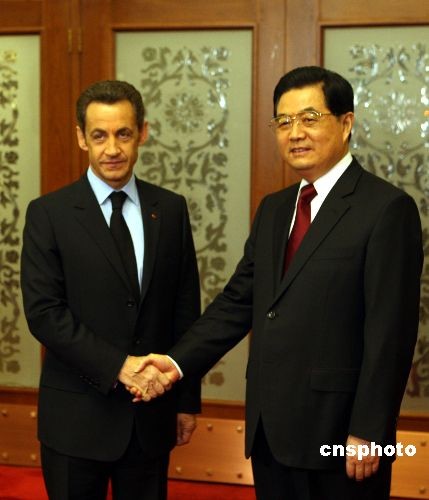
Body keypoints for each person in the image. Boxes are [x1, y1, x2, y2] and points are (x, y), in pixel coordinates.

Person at [132, 66, 423, 499]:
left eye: (309, 118)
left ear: (346, 123)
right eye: (283, 122)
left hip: (341, 434)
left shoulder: (385, 209)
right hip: (270, 430)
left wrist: (370, 430)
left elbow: (391, 333)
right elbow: (236, 303)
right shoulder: (275, 209)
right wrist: (174, 364)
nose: (295, 133)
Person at [20, 80, 201, 500]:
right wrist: (119, 366)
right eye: (99, 135)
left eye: (123, 134)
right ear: (81, 137)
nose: (112, 149)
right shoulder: (49, 214)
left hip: (150, 420)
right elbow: (44, 314)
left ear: (143, 133)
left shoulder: (170, 209)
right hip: (75, 421)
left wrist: (186, 400)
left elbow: (185, 311)